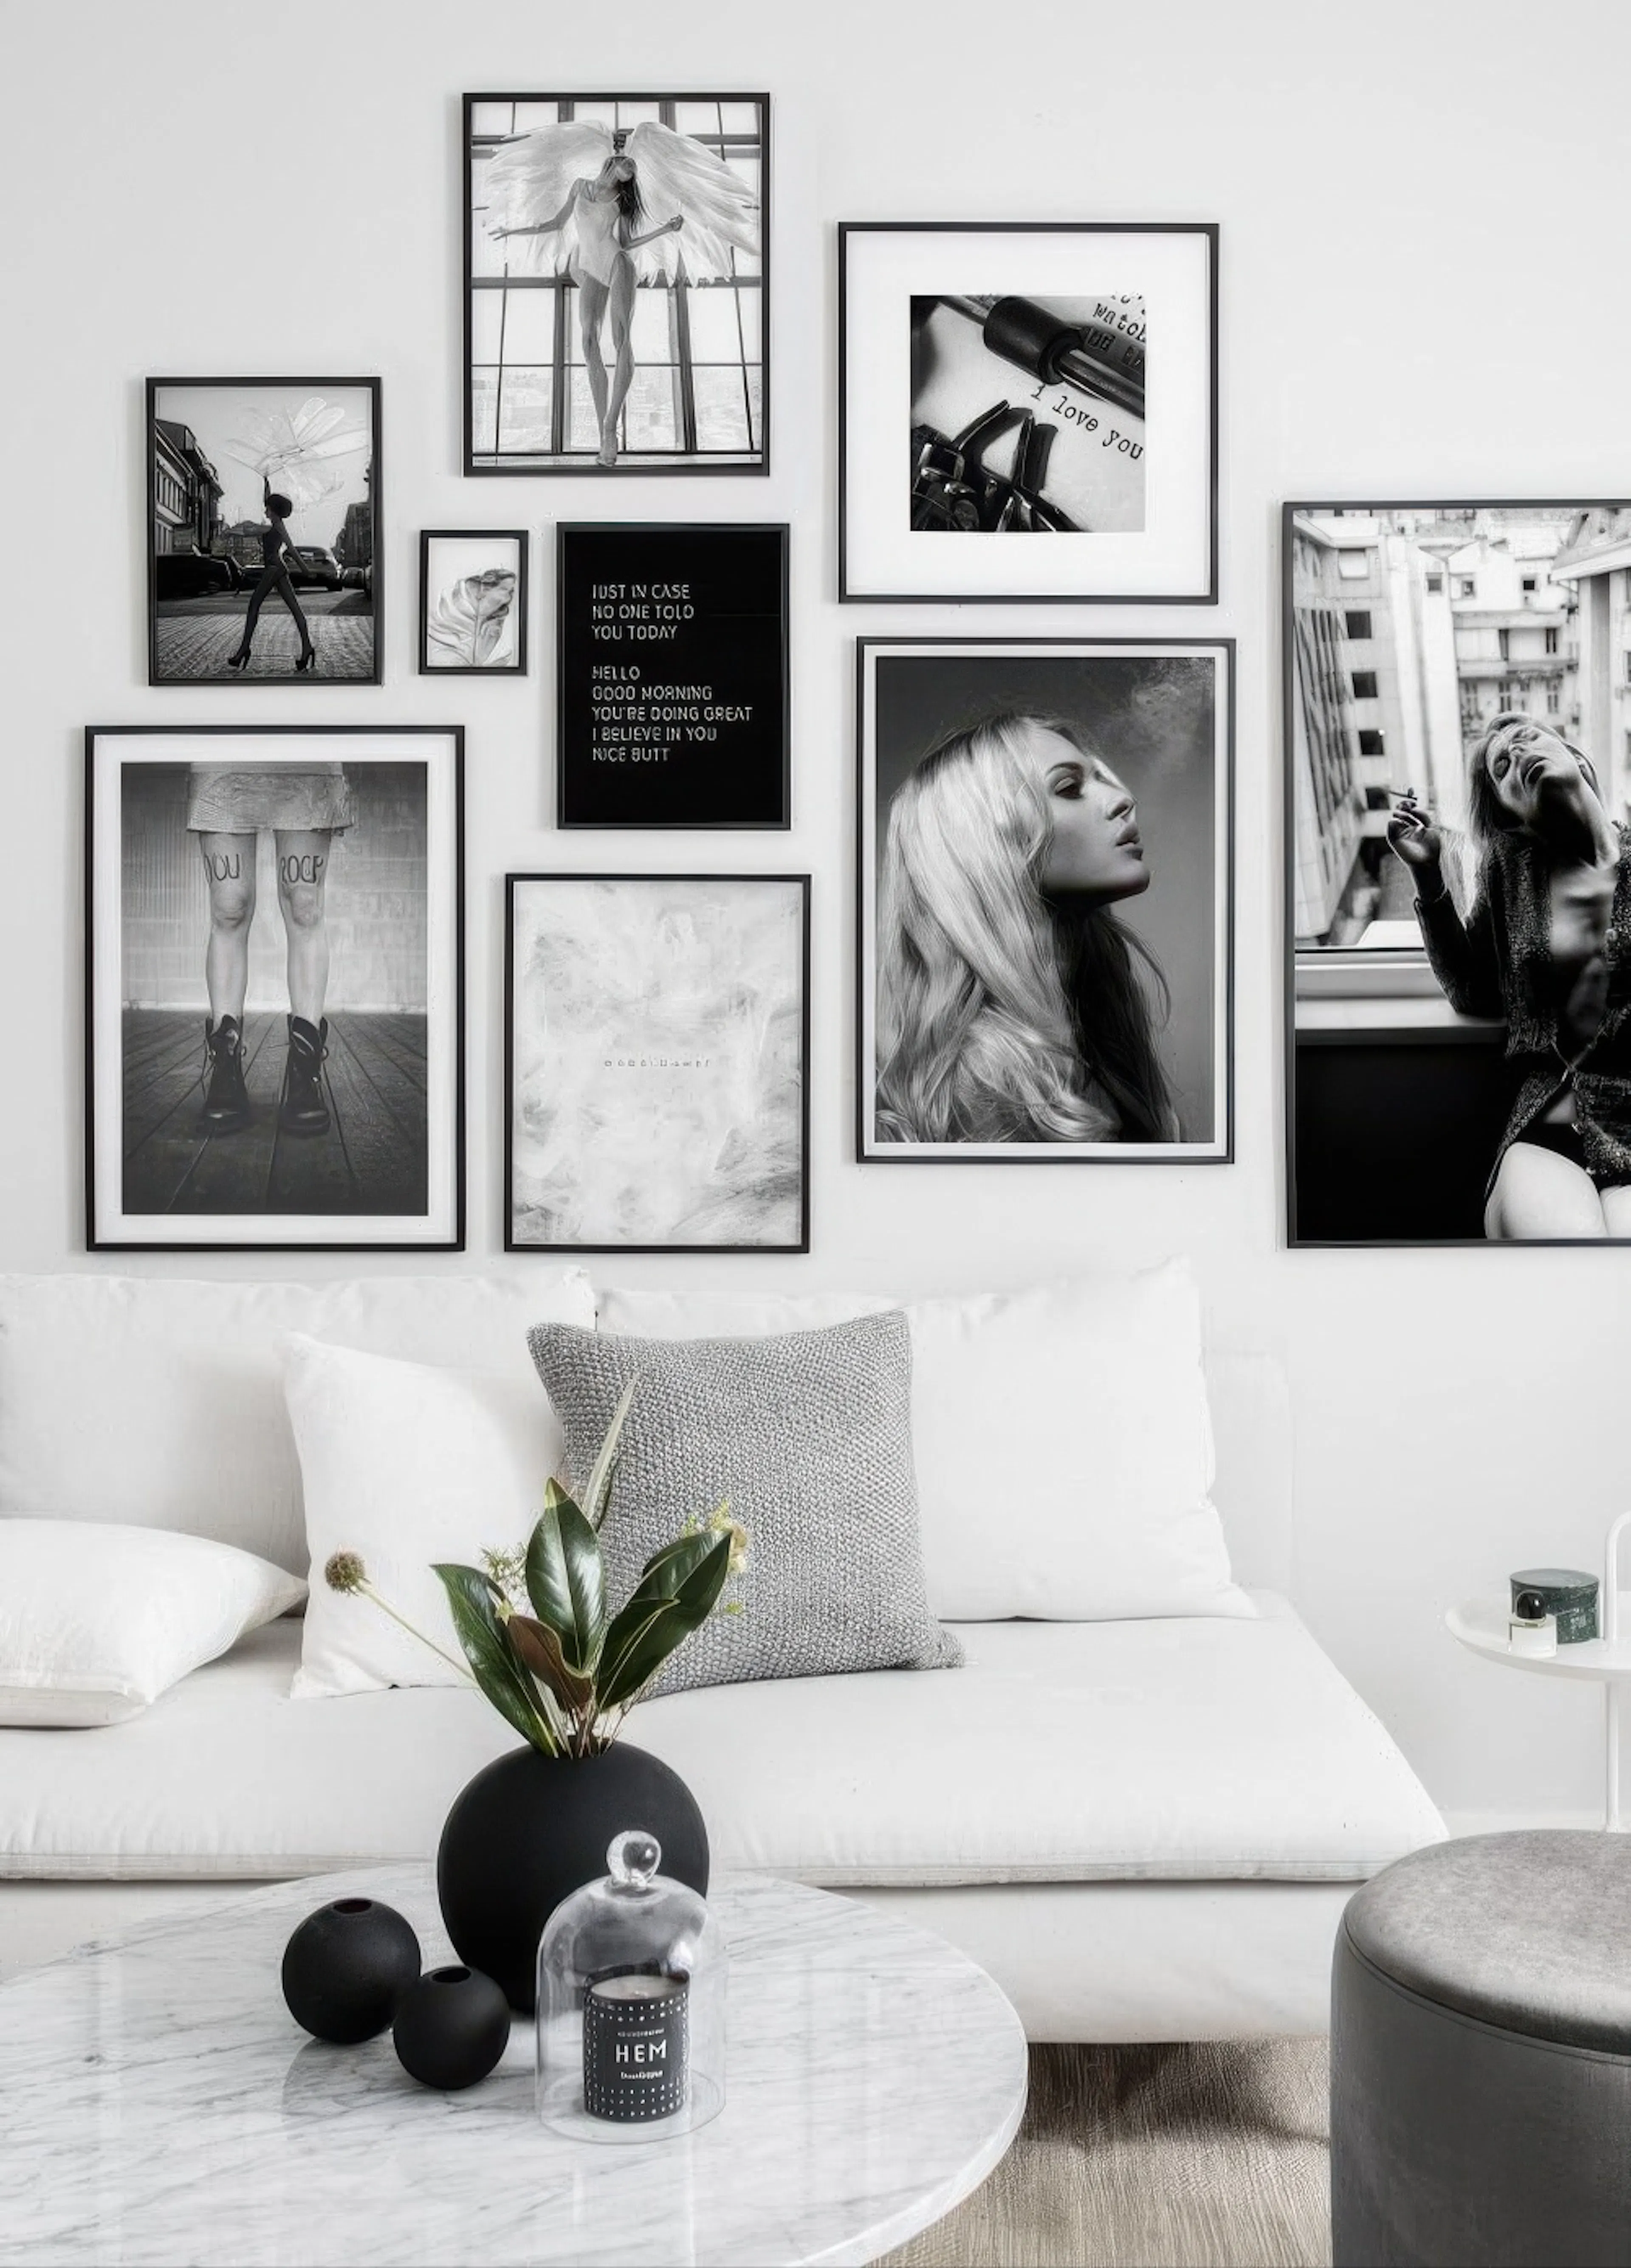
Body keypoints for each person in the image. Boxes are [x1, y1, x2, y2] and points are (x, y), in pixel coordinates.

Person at [874, 712, 1178, 1145]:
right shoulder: (988, 1089)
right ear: (989, 842)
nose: (1122, 798)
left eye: (1102, 778)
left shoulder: (1096, 1024)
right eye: (1070, 788)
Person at [1389, 711, 1631, 1239]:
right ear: (1510, 812)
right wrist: (1429, 875)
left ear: (1578, 758)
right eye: (1503, 765)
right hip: (1548, 1131)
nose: (1518, 754)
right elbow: (1471, 990)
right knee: (1567, 1259)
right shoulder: (1508, 872)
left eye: (1526, 740)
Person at [187, 762, 355, 1138]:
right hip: (225, 744)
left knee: (305, 903)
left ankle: (303, 1070)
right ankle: (226, 1066)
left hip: (303, 743)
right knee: (229, 906)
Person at [493, 154, 684, 466]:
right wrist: (514, 231)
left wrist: (665, 230)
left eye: (627, 177)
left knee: (622, 339)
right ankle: (604, 428)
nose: (623, 178)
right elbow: (556, 224)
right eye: (623, 171)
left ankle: (612, 427)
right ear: (611, 165)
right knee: (588, 342)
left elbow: (627, 243)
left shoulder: (621, 200)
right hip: (590, 267)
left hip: (618, 263)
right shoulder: (580, 187)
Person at [225, 479, 316, 673]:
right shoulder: (276, 522)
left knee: (254, 605)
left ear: (273, 510)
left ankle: (244, 650)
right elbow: (267, 500)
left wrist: (305, 569)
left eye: (267, 508)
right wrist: (266, 481)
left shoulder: (276, 524)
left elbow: (290, 547)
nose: (265, 510)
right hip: (278, 569)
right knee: (295, 610)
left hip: (274, 569)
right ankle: (307, 648)